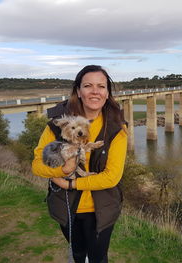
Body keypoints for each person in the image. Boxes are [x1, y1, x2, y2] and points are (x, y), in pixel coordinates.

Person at [32, 65, 128, 263]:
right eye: (88, 86)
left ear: (107, 93)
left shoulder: (117, 128)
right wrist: (62, 170)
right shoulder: (57, 125)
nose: (95, 91)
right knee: (77, 255)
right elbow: (36, 165)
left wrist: (69, 183)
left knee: (98, 258)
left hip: (101, 209)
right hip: (67, 208)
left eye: (101, 86)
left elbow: (112, 177)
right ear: (78, 91)